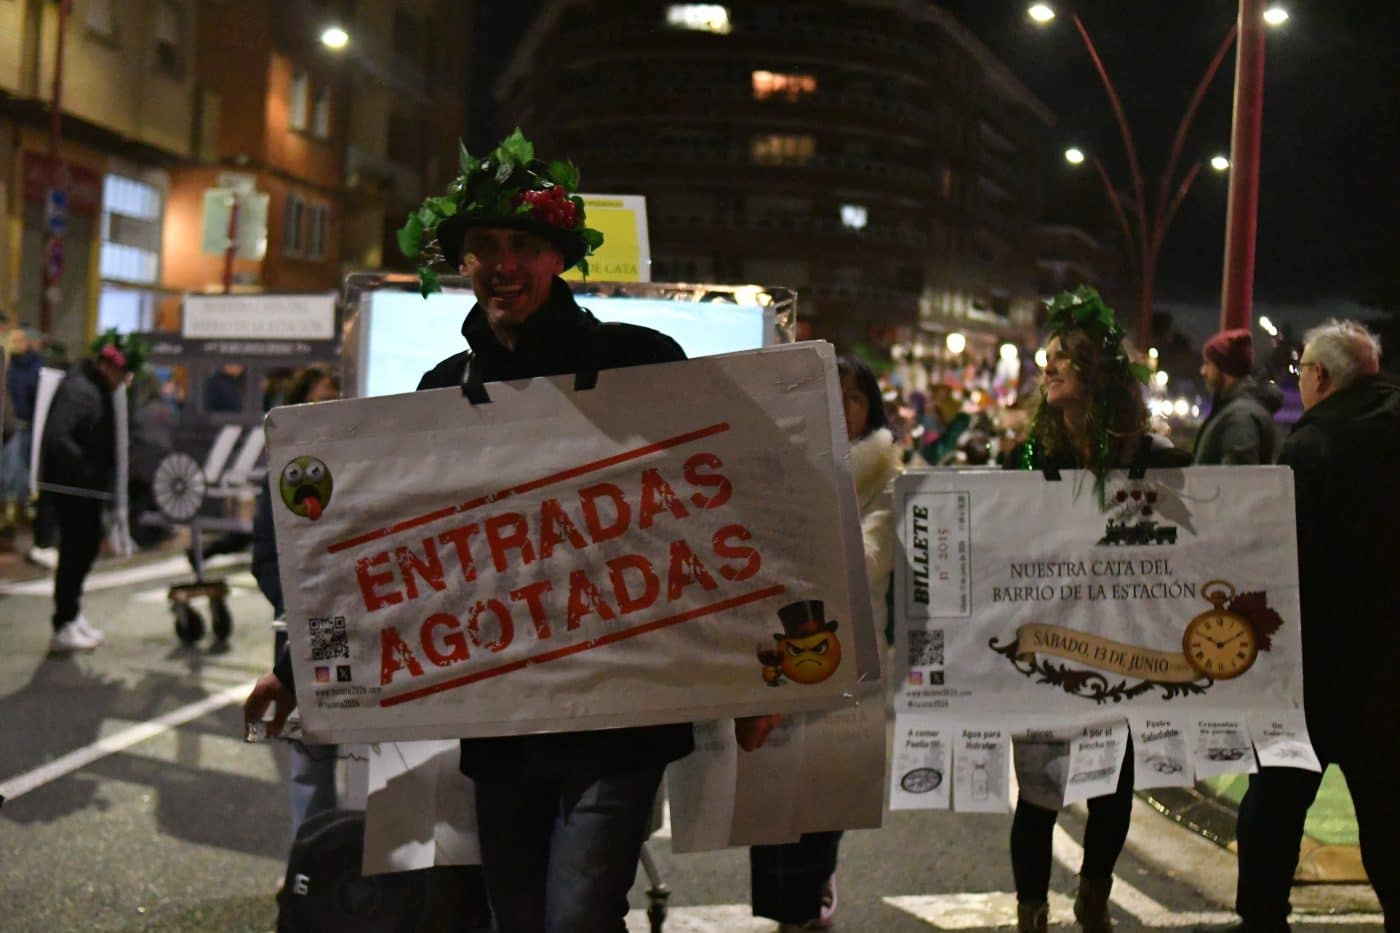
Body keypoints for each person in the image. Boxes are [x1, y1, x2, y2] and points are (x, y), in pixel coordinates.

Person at [244, 128, 694, 932]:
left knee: (579, 915)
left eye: (522, 244)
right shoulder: (442, 390)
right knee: (515, 917)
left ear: (558, 256)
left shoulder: (644, 362)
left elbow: (717, 510)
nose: (501, 263)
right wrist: (295, 668)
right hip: (504, 718)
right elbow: (382, 547)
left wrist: (768, 676)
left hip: (621, 713)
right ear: (461, 261)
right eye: (483, 245)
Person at [1198, 320, 1397, 933]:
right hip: (1388, 666)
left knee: (1275, 805)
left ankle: (1262, 920)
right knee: (1388, 811)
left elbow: (1281, 554)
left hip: (1316, 664)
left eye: (1302, 371)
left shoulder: (1315, 444)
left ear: (1321, 377)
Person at [1010, 287, 1189, 933]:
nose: (1051, 366)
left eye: (1066, 356)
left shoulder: (1154, 460)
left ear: (1099, 373)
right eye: (1049, 356)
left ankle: (1093, 893)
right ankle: (1032, 912)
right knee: (1039, 795)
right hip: (1050, 646)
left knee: (1113, 788)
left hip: (1123, 648)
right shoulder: (1029, 458)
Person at [747, 356, 902, 930]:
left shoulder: (884, 476)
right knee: (774, 787)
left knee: (825, 788)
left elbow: (869, 558)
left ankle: (810, 895)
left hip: (848, 651)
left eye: (853, 397)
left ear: (870, 409)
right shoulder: (774, 465)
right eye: (828, 394)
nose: (840, 406)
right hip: (777, 646)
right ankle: (790, 906)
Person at [250, 366, 343, 834]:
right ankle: (313, 859)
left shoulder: (368, 463)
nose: (331, 409)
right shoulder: (284, 474)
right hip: (307, 635)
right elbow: (265, 559)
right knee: (310, 762)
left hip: (370, 630)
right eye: (323, 400)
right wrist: (301, 606)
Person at [40, 331, 143, 653]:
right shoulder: (80, 391)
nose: (125, 381)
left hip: (85, 489)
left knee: (83, 551)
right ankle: (63, 623)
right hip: (74, 489)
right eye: (123, 373)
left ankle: (71, 614)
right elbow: (57, 436)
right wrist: (85, 470)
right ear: (107, 366)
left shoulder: (94, 388)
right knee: (75, 553)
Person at [1193, 328, 1282, 465]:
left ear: (1224, 367)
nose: (1203, 371)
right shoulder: (1238, 410)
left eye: (1208, 363)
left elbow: (1238, 474)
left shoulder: (1240, 416)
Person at [2, 327, 43, 531]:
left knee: (20, 473)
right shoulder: (7, 365)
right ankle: (7, 516)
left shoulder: (35, 366)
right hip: (10, 425)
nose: (14, 344)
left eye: (18, 340)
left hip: (25, 425)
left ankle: (19, 513)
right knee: (8, 472)